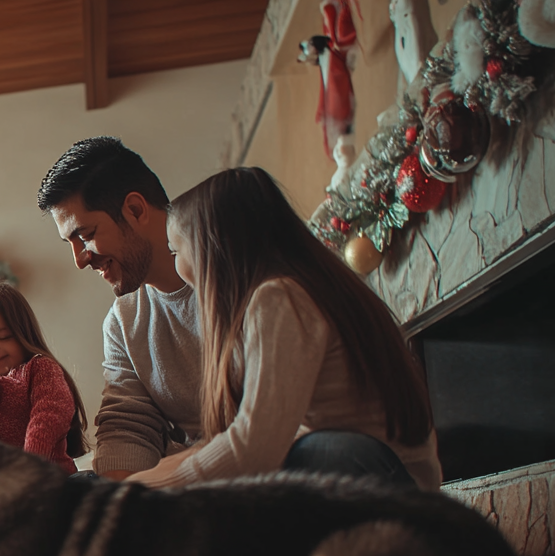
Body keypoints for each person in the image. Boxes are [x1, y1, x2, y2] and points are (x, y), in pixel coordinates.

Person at [128, 166, 440, 490]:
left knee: (293, 459)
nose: (176, 265)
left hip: (386, 480)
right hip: (392, 475)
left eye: (175, 251)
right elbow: (235, 439)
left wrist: (148, 491)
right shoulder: (300, 286)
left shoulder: (280, 296)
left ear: (213, 248)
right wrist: (146, 479)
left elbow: (252, 448)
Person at [38, 136, 202, 481]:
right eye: (70, 243)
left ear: (136, 210)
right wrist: (115, 502)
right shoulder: (123, 321)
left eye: (85, 235)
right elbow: (128, 424)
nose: (80, 260)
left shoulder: (234, 274)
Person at [0, 284, 89, 474]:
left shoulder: (41, 370)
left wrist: (29, 464)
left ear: (23, 333)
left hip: (51, 481)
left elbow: (47, 419)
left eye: (4, 337)